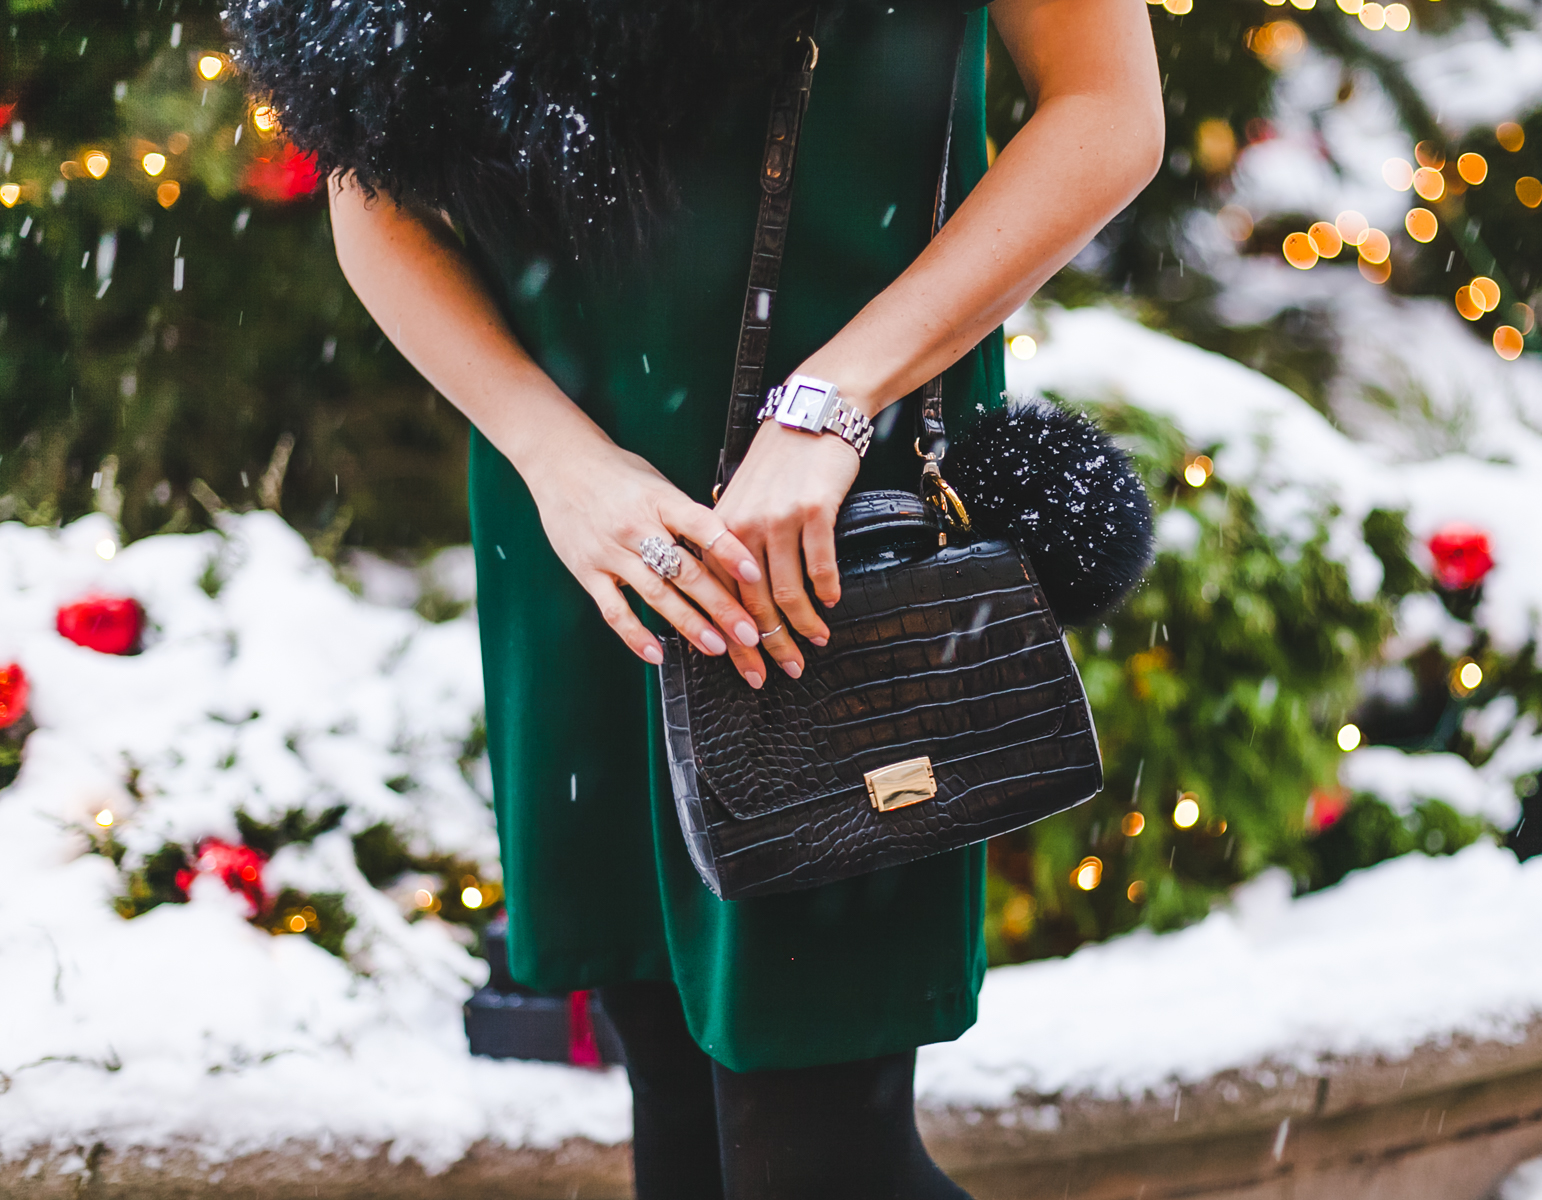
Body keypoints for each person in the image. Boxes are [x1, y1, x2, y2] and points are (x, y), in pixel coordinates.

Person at [260, 0, 1160, 1192]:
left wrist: (839, 395)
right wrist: (555, 459)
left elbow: (1108, 111)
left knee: (823, 1150)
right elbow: (371, 183)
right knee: (676, 1117)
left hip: (828, 525)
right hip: (583, 530)